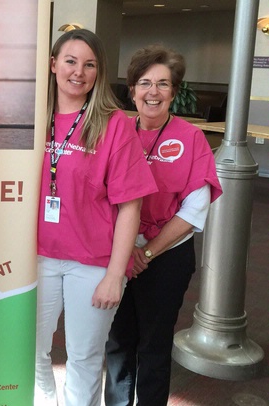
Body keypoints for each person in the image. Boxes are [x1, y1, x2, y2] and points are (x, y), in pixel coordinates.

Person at [35, 29, 158, 406]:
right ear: (53, 64)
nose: (79, 71)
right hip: (34, 258)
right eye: (70, 61)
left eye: (90, 64)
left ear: (99, 72)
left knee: (84, 358)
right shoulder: (32, 116)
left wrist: (114, 276)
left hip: (90, 264)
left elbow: (130, 207)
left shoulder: (113, 124)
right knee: (29, 351)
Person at [104, 45, 223, 406]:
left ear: (174, 91)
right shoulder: (116, 130)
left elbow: (194, 209)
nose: (152, 92)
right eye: (144, 83)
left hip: (166, 257)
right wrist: (127, 252)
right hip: (115, 255)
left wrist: (146, 252)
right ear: (132, 89)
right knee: (116, 341)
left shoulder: (191, 138)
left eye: (162, 84)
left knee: (154, 346)